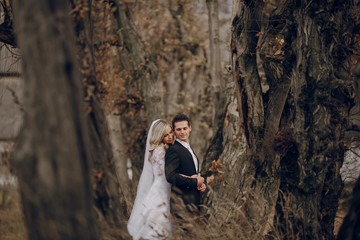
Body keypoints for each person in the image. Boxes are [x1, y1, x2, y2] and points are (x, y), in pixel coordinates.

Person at [127, 119, 174, 240]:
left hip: (163, 188)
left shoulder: (162, 149)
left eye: (170, 132)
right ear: (159, 136)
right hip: (161, 190)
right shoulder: (159, 151)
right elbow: (166, 173)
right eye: (165, 135)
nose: (170, 137)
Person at [165, 113, 206, 215]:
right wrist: (194, 181)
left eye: (185, 128)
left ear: (190, 128)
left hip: (194, 202)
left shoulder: (189, 149)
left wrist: (200, 184)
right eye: (179, 129)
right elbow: (170, 176)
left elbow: (189, 172)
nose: (182, 132)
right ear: (174, 132)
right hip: (182, 204)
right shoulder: (173, 150)